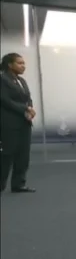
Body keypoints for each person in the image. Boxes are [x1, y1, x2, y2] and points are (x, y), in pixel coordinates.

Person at [0, 53, 36, 193]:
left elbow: (28, 98)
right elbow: (5, 100)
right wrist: (25, 108)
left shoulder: (22, 81)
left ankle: (19, 184)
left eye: (24, 63)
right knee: (7, 155)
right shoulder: (2, 79)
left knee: (23, 155)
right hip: (8, 123)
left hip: (24, 122)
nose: (23, 66)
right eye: (20, 63)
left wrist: (30, 109)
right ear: (10, 64)